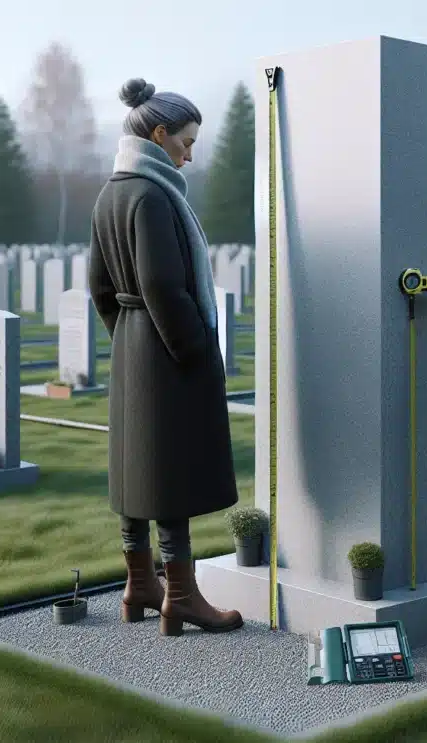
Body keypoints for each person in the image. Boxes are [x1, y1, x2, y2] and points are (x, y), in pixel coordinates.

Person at [87, 78, 243, 637]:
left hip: (133, 341)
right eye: (186, 141)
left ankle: (140, 584)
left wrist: (126, 336)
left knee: (137, 471)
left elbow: (100, 287)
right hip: (165, 349)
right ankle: (180, 595)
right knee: (169, 472)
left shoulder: (112, 191)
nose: (191, 152)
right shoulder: (153, 195)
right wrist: (194, 349)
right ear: (159, 135)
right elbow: (160, 283)